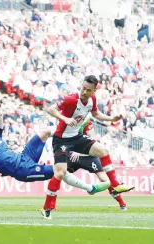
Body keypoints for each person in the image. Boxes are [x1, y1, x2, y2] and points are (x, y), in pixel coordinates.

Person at [0, 99, 110, 196]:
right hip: (21, 170)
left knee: (45, 131)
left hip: (24, 156)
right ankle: (89, 188)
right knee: (59, 171)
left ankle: (71, 134)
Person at [42, 75, 134, 219]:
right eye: (83, 88)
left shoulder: (92, 100)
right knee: (60, 173)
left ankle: (116, 186)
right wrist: (65, 119)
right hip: (62, 140)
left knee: (103, 150)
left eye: (88, 90)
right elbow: (50, 109)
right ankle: (47, 207)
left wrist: (112, 119)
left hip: (76, 138)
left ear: (94, 91)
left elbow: (96, 114)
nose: (84, 91)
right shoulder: (71, 99)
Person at [40, 116, 129, 210]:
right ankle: (51, 205)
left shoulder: (85, 119)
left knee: (105, 180)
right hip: (71, 155)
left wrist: (79, 150)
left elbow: (92, 138)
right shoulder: (67, 119)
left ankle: (122, 204)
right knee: (59, 173)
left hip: (87, 156)